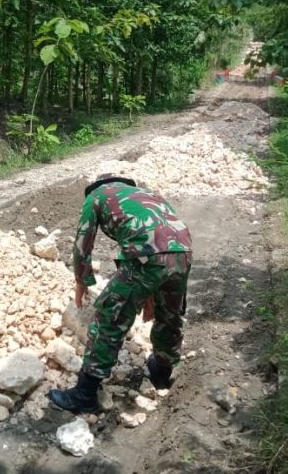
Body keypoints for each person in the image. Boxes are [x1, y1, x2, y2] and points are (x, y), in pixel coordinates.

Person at [48, 174, 192, 413]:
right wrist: (148, 291)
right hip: (183, 251)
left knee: (109, 317)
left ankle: (84, 394)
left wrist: (82, 280)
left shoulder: (95, 196)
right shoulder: (147, 194)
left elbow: (83, 241)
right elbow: (157, 236)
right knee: (170, 314)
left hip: (147, 256)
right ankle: (162, 372)